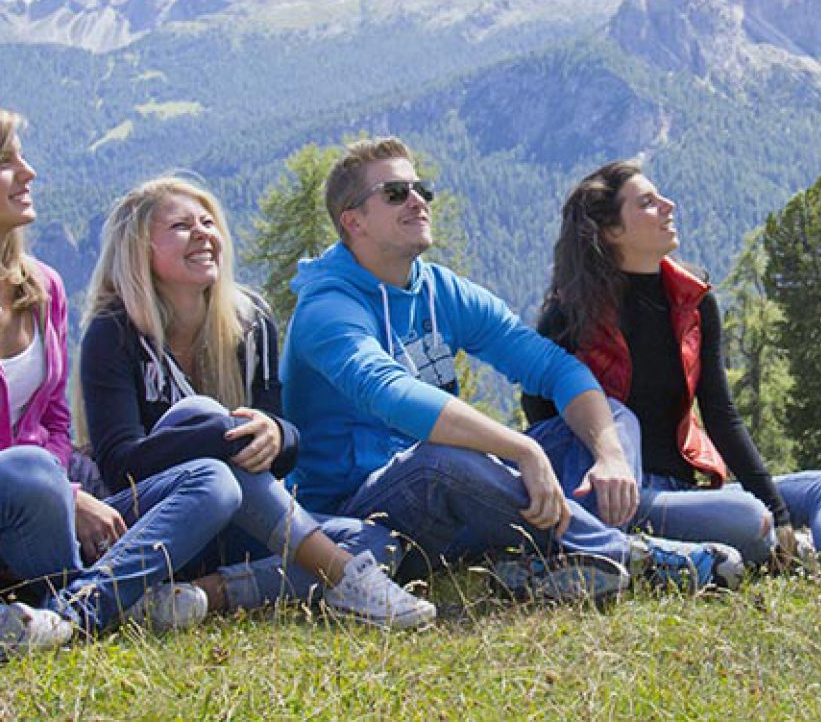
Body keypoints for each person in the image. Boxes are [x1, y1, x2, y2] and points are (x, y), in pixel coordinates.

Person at [281, 136, 742, 604]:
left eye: (421, 189)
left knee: (613, 417)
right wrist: (519, 448)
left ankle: (550, 565)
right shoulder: (328, 307)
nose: (418, 200)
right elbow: (388, 392)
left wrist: (610, 456)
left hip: (458, 500)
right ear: (353, 221)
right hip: (364, 513)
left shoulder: (440, 290)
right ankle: (629, 556)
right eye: (396, 193)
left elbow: (552, 367)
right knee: (442, 459)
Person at [523, 160, 821, 612]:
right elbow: (544, 425)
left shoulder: (692, 302)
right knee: (747, 517)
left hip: (684, 491)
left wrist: (779, 513)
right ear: (612, 231)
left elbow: (719, 413)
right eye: (647, 203)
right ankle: (651, 548)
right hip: (624, 499)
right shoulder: (568, 319)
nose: (668, 206)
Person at [79, 175, 435, 629]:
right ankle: (346, 580)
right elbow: (120, 467)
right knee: (206, 421)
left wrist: (274, 433)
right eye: (182, 227)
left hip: (243, 521)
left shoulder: (249, 321)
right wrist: (224, 435)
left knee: (378, 541)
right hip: (165, 522)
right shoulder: (115, 332)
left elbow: (285, 449)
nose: (204, 234)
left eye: (208, 222)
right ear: (140, 249)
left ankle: (205, 595)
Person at [0, 110, 241, 658]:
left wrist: (71, 491)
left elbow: (55, 422)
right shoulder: (114, 330)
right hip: (26, 491)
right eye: (7, 162)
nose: (29, 172)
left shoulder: (42, 287)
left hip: (57, 501)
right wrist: (65, 492)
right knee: (30, 470)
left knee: (213, 482)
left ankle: (69, 612)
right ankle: (109, 597)